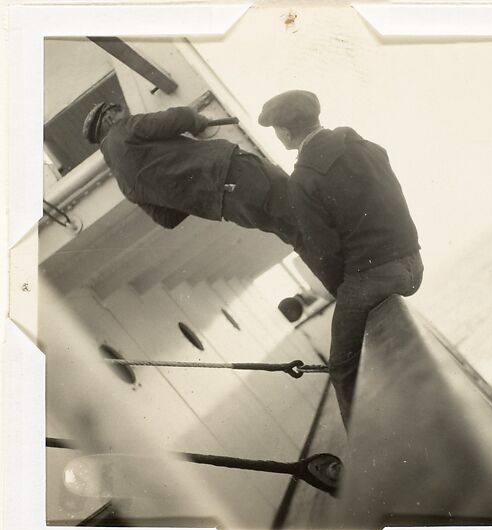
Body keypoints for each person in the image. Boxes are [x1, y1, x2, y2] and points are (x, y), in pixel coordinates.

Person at [259, 90, 424, 429]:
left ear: (287, 133)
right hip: (413, 265)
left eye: (276, 129)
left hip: (375, 278)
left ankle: (372, 458)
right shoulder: (367, 147)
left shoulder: (303, 180)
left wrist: (346, 292)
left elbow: (325, 255)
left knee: (342, 368)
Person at [82, 102, 301, 248]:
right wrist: (198, 122)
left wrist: (192, 191)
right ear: (109, 118)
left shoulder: (124, 184)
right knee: (304, 207)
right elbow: (180, 117)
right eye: (121, 112)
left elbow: (167, 219)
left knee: (296, 236)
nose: (126, 115)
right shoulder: (121, 130)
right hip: (231, 170)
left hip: (228, 207)